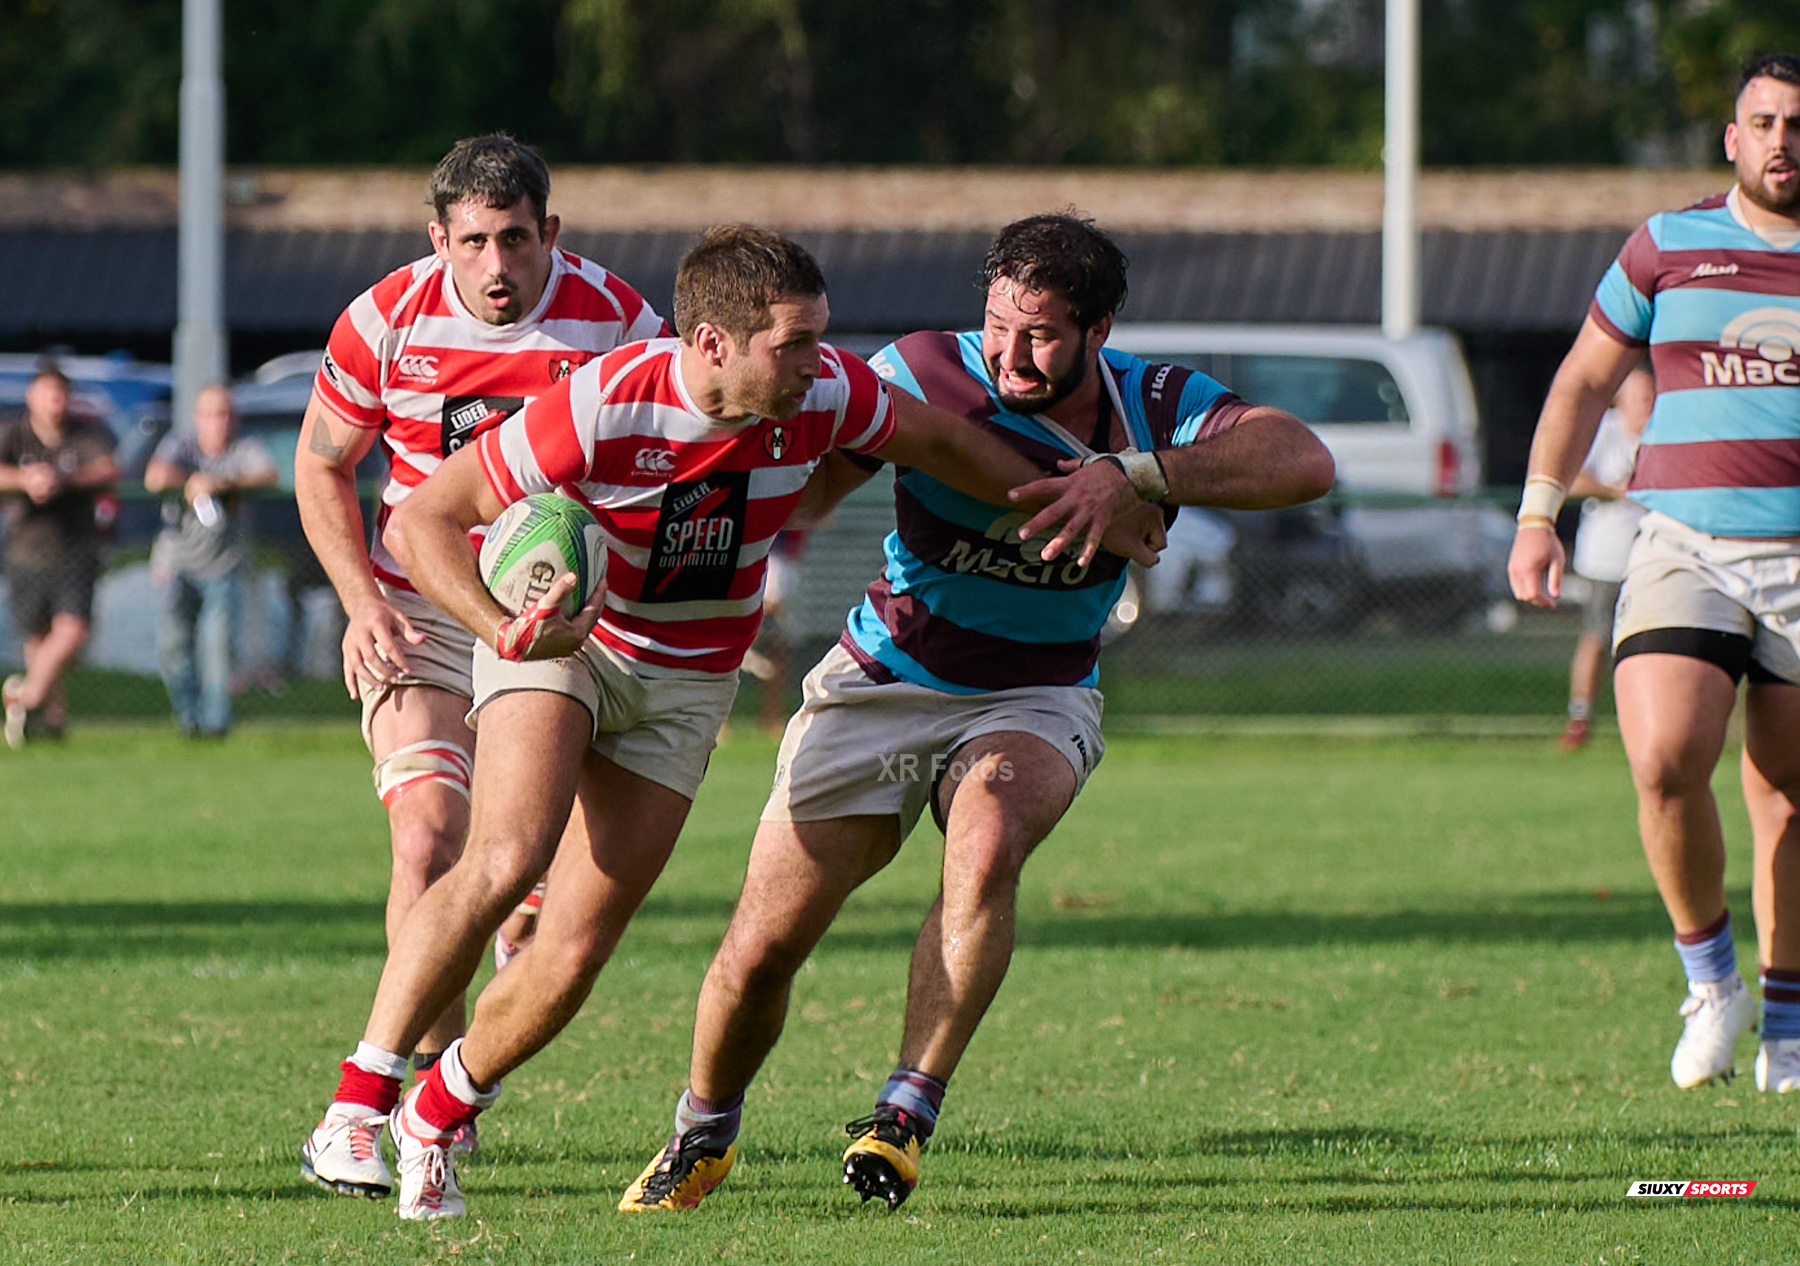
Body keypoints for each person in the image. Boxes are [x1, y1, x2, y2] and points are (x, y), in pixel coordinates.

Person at [306, 223, 1153, 1221]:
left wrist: (1093, 504)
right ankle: (358, 1105)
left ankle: (436, 1111)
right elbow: (419, 519)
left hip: (686, 684)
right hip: (566, 647)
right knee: (504, 858)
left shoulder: (830, 393)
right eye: (792, 345)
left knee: (573, 948)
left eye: (819, 339)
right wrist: (504, 628)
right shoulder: (605, 401)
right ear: (710, 344)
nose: (817, 364)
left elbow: (944, 447)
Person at [620, 213, 1335, 1213]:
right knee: (764, 944)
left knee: (989, 829)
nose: (1010, 352)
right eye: (999, 323)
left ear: (1101, 329)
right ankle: (703, 1130)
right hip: (887, 673)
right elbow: (806, 493)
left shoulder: (1155, 403)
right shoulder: (922, 371)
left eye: (1041, 333)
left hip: (1037, 690)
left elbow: (1302, 460)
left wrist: (1135, 476)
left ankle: (903, 1111)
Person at [295, 133, 667, 1196]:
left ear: (549, 232)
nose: (496, 266)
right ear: (438, 240)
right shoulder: (384, 321)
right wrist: (362, 602)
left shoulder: (621, 321)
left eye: (515, 239)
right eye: (473, 242)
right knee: (427, 838)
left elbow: (666, 458)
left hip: (551, 628)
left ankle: (501, 949)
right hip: (415, 610)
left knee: (522, 871)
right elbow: (322, 462)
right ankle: (408, 1105)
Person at [1509, 55, 1800, 1094]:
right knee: (1668, 755)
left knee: (1788, 797)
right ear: (1732, 138)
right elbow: (1585, 378)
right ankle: (1710, 978)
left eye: (1797, 123)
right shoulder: (1669, 244)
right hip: (1686, 544)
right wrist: (1540, 513)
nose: (1781, 141)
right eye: (1762, 121)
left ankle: (1788, 1024)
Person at [143, 384, 278, 737]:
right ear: (197, 418)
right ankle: (188, 718)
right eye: (212, 414)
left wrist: (219, 482)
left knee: (217, 646)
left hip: (225, 565)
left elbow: (268, 474)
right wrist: (191, 481)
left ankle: (216, 725)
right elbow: (154, 476)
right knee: (173, 646)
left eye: (225, 414)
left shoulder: (244, 448)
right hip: (178, 563)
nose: (219, 422)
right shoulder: (180, 445)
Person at [0, 365, 119, 749]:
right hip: (26, 551)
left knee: (72, 633)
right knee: (37, 638)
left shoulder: (83, 434)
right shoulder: (14, 434)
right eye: (48, 394)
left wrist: (62, 480)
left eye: (61, 395)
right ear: (32, 398)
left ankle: (26, 697)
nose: (55, 403)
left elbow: (109, 467)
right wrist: (26, 480)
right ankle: (51, 722)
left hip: (73, 549)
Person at [1558, 368, 1653, 751]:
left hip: (1651, 556)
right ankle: (1580, 717)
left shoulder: (1663, 432)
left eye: (1651, 396)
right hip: (1606, 556)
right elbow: (1572, 478)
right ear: (1622, 400)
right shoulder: (1605, 432)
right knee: (1597, 638)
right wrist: (1616, 490)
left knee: (1648, 643)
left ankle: (1646, 723)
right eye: (1641, 398)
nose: (1648, 405)